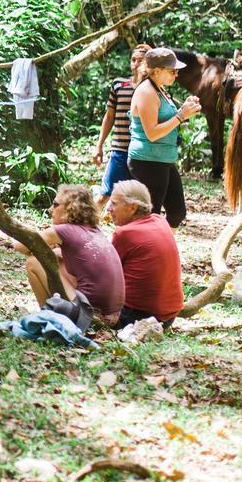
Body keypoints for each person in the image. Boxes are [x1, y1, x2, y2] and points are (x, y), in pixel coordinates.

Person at [13, 184, 125, 326]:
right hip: (113, 318)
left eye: (55, 205)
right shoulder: (93, 230)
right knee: (58, 258)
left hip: (88, 316)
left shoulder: (64, 230)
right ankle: (54, 312)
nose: (50, 209)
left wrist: (36, 245)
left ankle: (47, 315)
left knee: (33, 262)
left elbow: (20, 246)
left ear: (70, 208)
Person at [128, 47, 200, 228]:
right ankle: (149, 253)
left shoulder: (160, 90)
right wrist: (181, 116)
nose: (176, 75)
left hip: (164, 159)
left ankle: (161, 249)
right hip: (147, 160)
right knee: (150, 217)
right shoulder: (146, 91)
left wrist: (185, 109)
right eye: (172, 71)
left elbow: (168, 120)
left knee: (177, 212)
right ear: (157, 71)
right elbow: (152, 133)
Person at [108, 180, 183, 329]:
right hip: (169, 317)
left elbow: (105, 274)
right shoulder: (160, 220)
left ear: (133, 207)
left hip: (136, 318)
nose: (109, 208)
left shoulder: (124, 234)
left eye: (114, 204)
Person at [92, 43, 152, 201]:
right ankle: (87, 224)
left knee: (141, 199)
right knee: (105, 194)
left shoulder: (153, 89)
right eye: (133, 60)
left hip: (143, 153)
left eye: (141, 60)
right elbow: (109, 116)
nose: (136, 64)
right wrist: (99, 146)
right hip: (120, 150)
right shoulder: (119, 84)